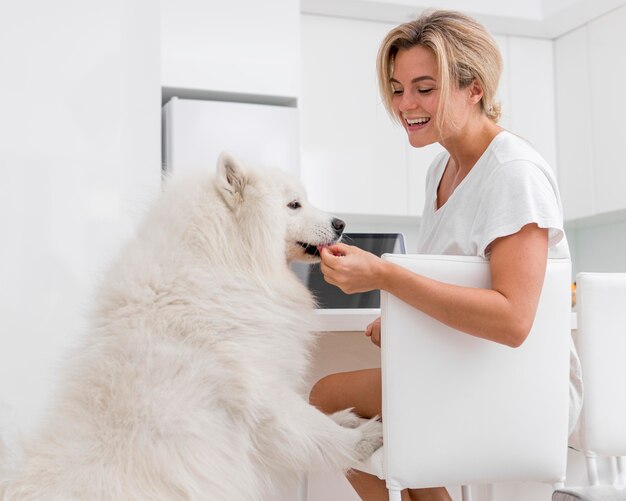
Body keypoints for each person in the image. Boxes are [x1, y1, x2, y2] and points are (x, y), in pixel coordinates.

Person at [308, 9, 582, 501]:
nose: (405, 104)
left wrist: (386, 276)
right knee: (347, 424)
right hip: (465, 369)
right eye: (397, 88)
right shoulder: (441, 170)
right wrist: (406, 324)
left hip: (518, 386)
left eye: (424, 88)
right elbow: (458, 288)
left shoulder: (513, 173)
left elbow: (514, 319)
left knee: (328, 404)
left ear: (473, 87)